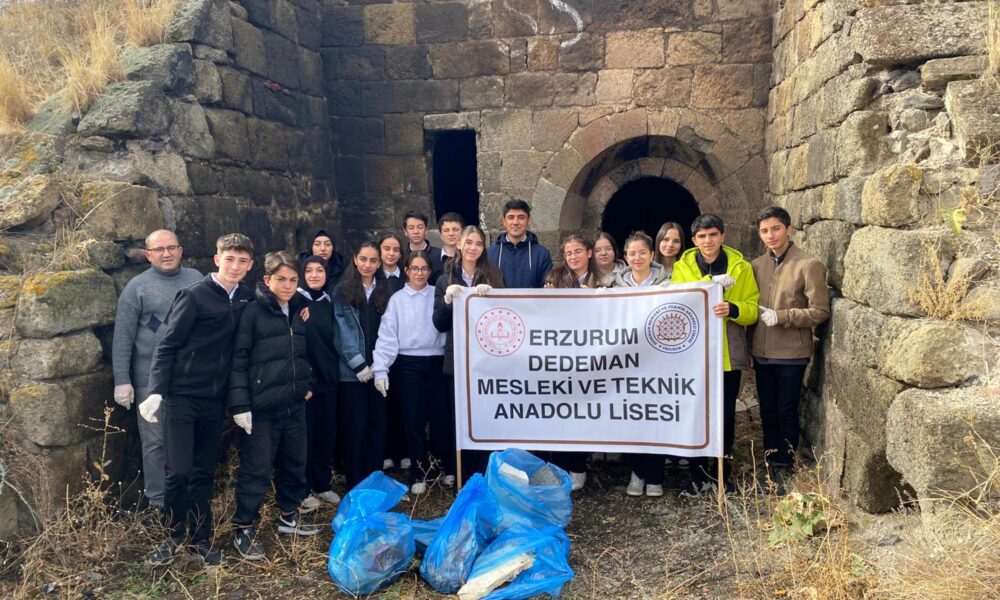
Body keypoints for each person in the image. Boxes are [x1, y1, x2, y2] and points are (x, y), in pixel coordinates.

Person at [140, 233, 256, 566]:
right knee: (178, 471)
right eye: (229, 259)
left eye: (242, 261)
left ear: (250, 265)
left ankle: (200, 540)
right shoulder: (194, 296)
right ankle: (172, 536)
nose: (235, 266)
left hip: (214, 398)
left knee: (204, 472)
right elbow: (167, 345)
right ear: (217, 259)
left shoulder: (246, 298)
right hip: (182, 395)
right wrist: (156, 390)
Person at [228, 251, 318, 560]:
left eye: (293, 280)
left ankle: (289, 514)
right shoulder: (253, 313)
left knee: (294, 462)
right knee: (257, 468)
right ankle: (243, 526)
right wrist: (240, 404)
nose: (288, 285)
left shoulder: (298, 309)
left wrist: (307, 384)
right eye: (281, 279)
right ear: (267, 280)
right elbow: (239, 359)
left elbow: (301, 353)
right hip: (262, 407)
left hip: (294, 404)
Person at [112, 230, 201, 512]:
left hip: (190, 377)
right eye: (159, 249)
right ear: (148, 255)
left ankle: (188, 497)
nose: (166, 253)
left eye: (171, 247)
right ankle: (157, 502)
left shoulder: (197, 280)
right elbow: (123, 336)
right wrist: (122, 380)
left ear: (181, 250)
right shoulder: (137, 288)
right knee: (155, 443)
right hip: (149, 379)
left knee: (189, 438)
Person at [671, 214, 759, 496]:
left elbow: (752, 308)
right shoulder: (682, 268)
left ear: (722, 236)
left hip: (727, 354)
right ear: (694, 240)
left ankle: (722, 474)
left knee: (725, 415)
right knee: (695, 414)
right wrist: (710, 284)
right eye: (702, 236)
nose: (708, 241)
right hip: (693, 356)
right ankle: (697, 474)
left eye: (712, 235)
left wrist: (733, 309)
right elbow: (676, 301)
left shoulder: (741, 268)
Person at [751, 207, 830, 477]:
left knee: (786, 409)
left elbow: (820, 311)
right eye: (764, 231)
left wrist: (784, 316)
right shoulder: (757, 266)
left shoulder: (808, 264)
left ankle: (785, 463)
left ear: (789, 229)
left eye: (775, 229)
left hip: (791, 353)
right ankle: (770, 458)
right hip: (761, 352)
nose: (770, 235)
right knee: (767, 409)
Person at [372, 251, 448, 495]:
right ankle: (418, 471)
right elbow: (387, 336)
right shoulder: (397, 300)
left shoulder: (437, 294)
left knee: (441, 418)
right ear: (406, 271)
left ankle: (445, 466)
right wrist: (380, 368)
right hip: (408, 364)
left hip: (437, 361)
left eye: (424, 268)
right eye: (414, 268)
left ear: (430, 271)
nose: (419, 273)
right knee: (413, 419)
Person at [433, 226, 504, 483]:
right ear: (460, 245)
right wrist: (447, 302)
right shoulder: (445, 280)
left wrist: (492, 297)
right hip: (459, 361)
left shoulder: (494, 275)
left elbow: (505, 313)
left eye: (479, 243)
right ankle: (461, 475)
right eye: (469, 242)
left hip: (487, 361)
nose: (474, 247)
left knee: (486, 418)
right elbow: (439, 324)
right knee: (460, 420)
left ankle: (485, 474)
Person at [543, 234, 609, 490]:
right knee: (561, 411)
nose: (573, 257)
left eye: (578, 251)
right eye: (569, 253)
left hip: (591, 357)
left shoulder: (601, 280)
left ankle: (579, 467)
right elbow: (544, 313)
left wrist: (597, 299)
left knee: (582, 413)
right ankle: (559, 467)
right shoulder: (554, 278)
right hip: (561, 355)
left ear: (589, 253)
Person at [611, 232, 671, 497]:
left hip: (657, 361)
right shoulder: (615, 287)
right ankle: (637, 473)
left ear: (652, 255)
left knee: (655, 416)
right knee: (631, 416)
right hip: (627, 361)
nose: (637, 258)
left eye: (642, 253)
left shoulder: (668, 284)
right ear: (625, 257)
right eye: (632, 253)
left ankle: (655, 476)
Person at [333, 242, 392, 489]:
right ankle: (355, 481)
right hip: (352, 373)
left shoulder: (385, 290)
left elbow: (389, 330)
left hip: (379, 370)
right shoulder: (342, 290)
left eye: (373, 260)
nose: (368, 265)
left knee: (378, 425)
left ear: (379, 263)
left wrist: (380, 366)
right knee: (355, 426)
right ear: (355, 260)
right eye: (363, 259)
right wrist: (358, 365)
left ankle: (374, 478)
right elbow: (341, 330)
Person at [296, 256, 343, 513]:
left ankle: (322, 483)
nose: (315, 275)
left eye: (320, 270)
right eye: (309, 271)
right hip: (305, 382)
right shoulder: (296, 301)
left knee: (326, 434)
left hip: (329, 379)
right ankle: (302, 489)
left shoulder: (329, 303)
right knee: (306, 437)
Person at [376, 232, 407, 470]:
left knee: (402, 403)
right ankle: (386, 451)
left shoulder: (406, 278)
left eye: (396, 249)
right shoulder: (373, 277)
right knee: (382, 404)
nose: (391, 253)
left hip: (402, 348)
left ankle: (402, 451)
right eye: (387, 249)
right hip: (379, 345)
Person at [486, 199, 552, 289]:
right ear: (504, 221)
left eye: (521, 217)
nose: (515, 222)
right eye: (511, 217)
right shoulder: (490, 253)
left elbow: (546, 289)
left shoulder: (542, 254)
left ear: (529, 221)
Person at [432, 212, 465, 278]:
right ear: (441, 235)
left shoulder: (470, 258)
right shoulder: (432, 260)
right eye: (446, 230)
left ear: (463, 232)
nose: (451, 234)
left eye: (455, 230)